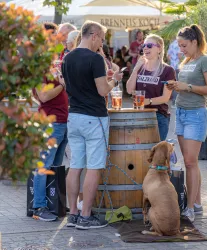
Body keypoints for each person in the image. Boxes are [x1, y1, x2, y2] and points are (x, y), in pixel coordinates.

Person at [62, 20, 123, 230]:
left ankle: (73, 214)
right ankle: (86, 216)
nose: (102, 43)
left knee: (75, 166)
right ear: (94, 35)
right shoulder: (95, 58)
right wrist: (114, 80)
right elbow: (103, 91)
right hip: (94, 118)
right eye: (102, 38)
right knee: (94, 167)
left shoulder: (67, 58)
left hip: (74, 116)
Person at [166, 24, 207, 222]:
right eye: (179, 45)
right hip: (181, 112)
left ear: (195, 42)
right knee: (190, 162)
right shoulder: (187, 60)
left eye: (184, 45)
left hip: (196, 114)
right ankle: (197, 204)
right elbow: (188, 87)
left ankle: (189, 208)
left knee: (190, 162)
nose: (181, 49)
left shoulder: (205, 60)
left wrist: (185, 86)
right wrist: (176, 86)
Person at [31, 22, 69, 222]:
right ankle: (39, 206)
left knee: (55, 166)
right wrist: (62, 86)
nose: (58, 40)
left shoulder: (55, 63)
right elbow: (44, 97)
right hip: (51, 122)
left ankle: (52, 203)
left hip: (62, 121)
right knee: (44, 165)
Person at [126, 34, 176, 141]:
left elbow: (165, 98)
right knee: (140, 154)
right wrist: (135, 69)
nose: (145, 48)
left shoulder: (168, 70)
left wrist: (147, 101)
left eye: (149, 45)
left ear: (159, 48)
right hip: (139, 115)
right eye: (144, 46)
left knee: (155, 155)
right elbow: (129, 90)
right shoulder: (140, 68)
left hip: (158, 117)